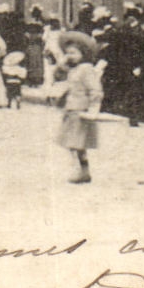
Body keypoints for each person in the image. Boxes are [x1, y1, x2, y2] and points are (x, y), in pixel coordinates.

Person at [54, 31, 104, 184]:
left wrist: (94, 108)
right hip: (71, 109)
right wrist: (63, 61)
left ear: (83, 53)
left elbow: (95, 90)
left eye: (74, 53)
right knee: (75, 144)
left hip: (81, 110)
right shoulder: (73, 69)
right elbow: (58, 74)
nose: (71, 56)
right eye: (68, 53)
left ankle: (79, 170)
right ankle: (84, 171)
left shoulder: (86, 69)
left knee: (76, 144)